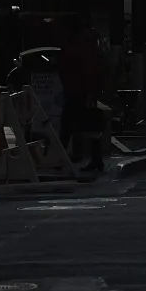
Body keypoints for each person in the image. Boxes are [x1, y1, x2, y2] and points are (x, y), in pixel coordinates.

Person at [57, 14, 109, 174]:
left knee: (69, 123)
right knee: (88, 124)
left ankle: (59, 158)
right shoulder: (89, 40)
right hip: (81, 88)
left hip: (78, 88)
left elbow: (85, 67)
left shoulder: (80, 41)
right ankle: (95, 159)